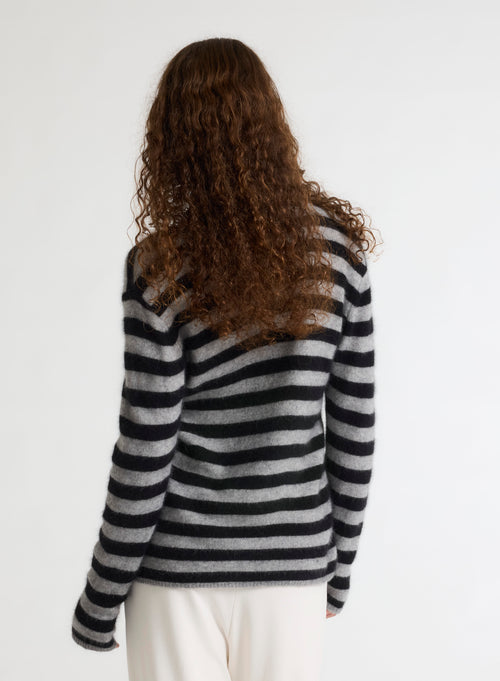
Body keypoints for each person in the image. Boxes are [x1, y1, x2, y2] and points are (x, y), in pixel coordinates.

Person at [71, 36, 379, 681]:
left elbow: (147, 444)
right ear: (271, 125)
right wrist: (338, 568)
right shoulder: (339, 258)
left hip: (176, 571)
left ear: (171, 142)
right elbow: (354, 430)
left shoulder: (159, 266)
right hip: (292, 565)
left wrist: (102, 594)